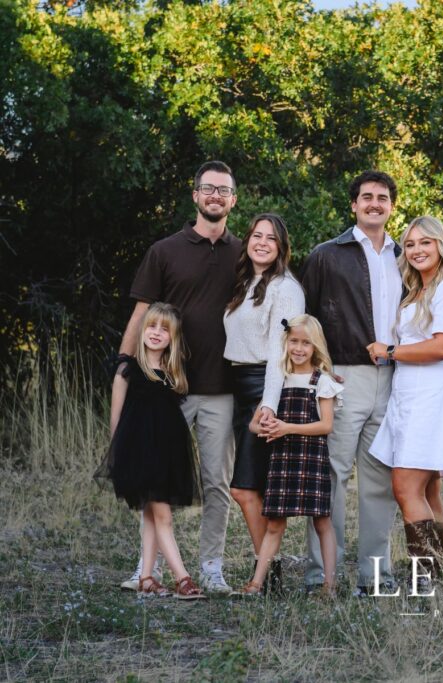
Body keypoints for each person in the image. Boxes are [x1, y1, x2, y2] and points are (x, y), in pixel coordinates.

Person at [119, 160, 242, 594]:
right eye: (207, 188)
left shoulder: (243, 252)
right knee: (154, 479)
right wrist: (123, 363)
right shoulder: (165, 250)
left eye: (223, 191)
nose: (215, 196)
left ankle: (211, 566)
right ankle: (145, 567)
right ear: (195, 195)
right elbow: (141, 311)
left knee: (216, 483)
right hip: (167, 388)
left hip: (221, 388)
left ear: (233, 199)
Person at [300, 170, 402, 595]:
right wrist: (319, 370)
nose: (374, 203)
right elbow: (306, 321)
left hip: (395, 378)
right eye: (366, 197)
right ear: (354, 205)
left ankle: (375, 577)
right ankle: (323, 575)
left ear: (391, 206)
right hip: (344, 375)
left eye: (382, 197)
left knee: (380, 481)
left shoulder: (404, 254)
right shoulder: (327, 254)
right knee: (334, 475)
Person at [367, 216, 443, 593]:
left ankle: (426, 578)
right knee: (428, 491)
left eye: (425, 243)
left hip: (432, 392)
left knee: (405, 488)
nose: (416, 250)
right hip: (409, 391)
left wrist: (391, 351)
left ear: (441, 246)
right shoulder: (417, 291)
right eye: (411, 244)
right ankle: (435, 576)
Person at [96, 303, 205, 600]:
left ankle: (146, 577)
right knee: (163, 517)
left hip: (166, 454)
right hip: (139, 454)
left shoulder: (174, 373)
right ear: (142, 330)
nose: (157, 333)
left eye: (165, 329)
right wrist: (119, 456)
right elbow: (116, 420)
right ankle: (182, 578)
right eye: (152, 326)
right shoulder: (127, 369)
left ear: (173, 338)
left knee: (151, 516)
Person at [223, 213, 305, 592]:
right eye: (256, 235)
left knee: (245, 488)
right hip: (241, 387)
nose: (261, 243)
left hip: (264, 388)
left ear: (281, 246)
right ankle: (267, 577)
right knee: (250, 488)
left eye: (270, 238)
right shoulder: (247, 282)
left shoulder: (285, 288)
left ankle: (267, 575)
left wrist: (268, 404)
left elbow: (279, 353)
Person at [236, 315, 343, 596]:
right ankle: (257, 582)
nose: (298, 348)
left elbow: (326, 425)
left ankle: (329, 585)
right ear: (285, 343)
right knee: (274, 524)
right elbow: (253, 423)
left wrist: (287, 428)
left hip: (311, 459)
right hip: (282, 460)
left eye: (306, 343)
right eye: (293, 341)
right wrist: (267, 425)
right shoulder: (277, 380)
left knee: (322, 521)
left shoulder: (322, 380)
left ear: (315, 346)